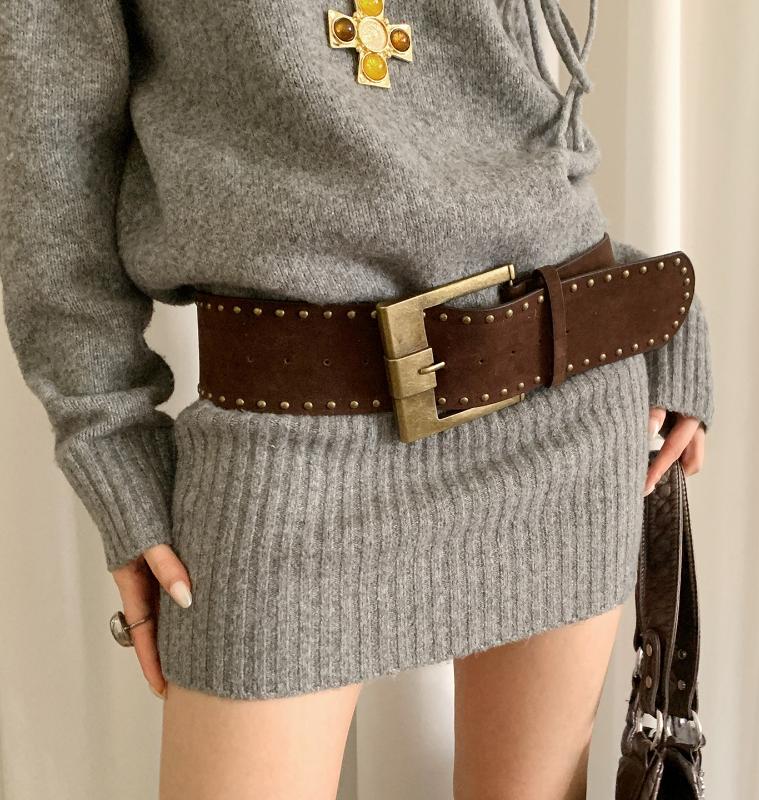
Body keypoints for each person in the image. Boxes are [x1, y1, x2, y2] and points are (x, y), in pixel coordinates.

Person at [0, 1, 713, 798]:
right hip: (282, 442)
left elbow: (521, 106)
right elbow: (50, 159)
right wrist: (108, 436)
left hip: (560, 403)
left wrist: (655, 311)